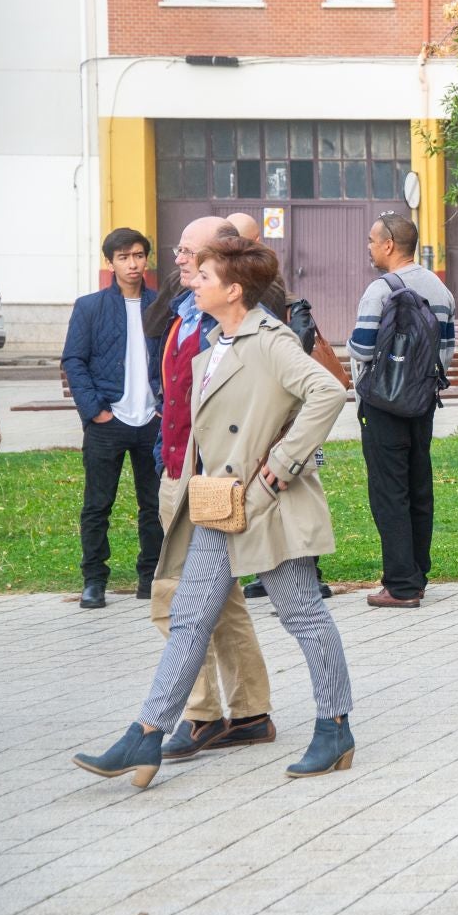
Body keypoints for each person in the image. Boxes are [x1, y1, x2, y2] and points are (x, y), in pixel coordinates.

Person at [73, 238, 354, 787]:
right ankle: (147, 733)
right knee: (189, 618)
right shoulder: (214, 341)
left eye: (203, 274)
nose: (191, 281)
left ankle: (335, 726)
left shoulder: (267, 340)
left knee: (302, 615)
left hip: (265, 505)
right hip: (217, 504)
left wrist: (280, 467)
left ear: (233, 289)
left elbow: (328, 390)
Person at [145, 216, 275, 762]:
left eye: (190, 253)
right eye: (179, 251)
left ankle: (199, 716)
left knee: (173, 598)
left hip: (207, 480)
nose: (180, 260)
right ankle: (250, 713)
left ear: (222, 261)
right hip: (177, 472)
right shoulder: (184, 315)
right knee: (222, 599)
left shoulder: (235, 324)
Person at [348, 213, 455, 609]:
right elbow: (446, 350)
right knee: (418, 486)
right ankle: (418, 573)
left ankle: (400, 584)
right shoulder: (440, 289)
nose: (370, 248)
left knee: (388, 491)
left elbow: (360, 349)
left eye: (372, 241)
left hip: (382, 405)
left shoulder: (379, 290)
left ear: (389, 245)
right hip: (422, 401)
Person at [64, 227, 162, 609]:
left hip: (151, 421)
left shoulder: (162, 305)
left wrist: (164, 404)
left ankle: (150, 576)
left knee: (153, 505)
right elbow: (74, 359)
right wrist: (94, 411)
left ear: (146, 259)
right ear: (111, 263)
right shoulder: (90, 307)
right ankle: (94, 580)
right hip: (108, 419)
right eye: (124, 257)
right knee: (97, 504)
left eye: (138, 255)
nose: (133, 263)